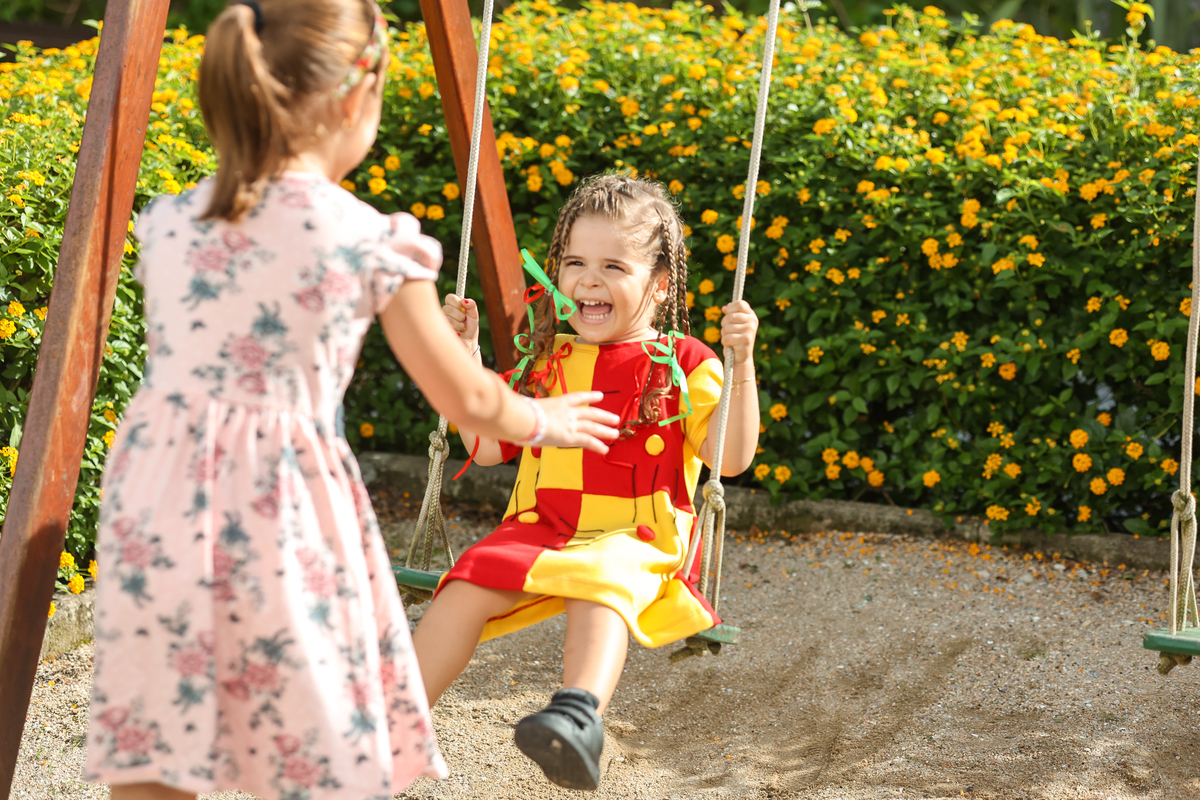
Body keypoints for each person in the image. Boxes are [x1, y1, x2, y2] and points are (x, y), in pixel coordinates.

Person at [83, 2, 620, 799]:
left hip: (158, 496)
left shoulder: (171, 221)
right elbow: (469, 397)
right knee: (311, 728)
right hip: (278, 499)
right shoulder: (366, 238)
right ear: (355, 96)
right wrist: (545, 418)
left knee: (161, 724)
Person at [413, 174, 760, 791]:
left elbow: (728, 459)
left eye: (613, 266)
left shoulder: (683, 362)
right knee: (464, 583)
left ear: (660, 283)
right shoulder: (548, 360)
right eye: (574, 262)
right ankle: (393, 720)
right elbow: (488, 447)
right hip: (541, 527)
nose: (588, 281)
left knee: (602, 582)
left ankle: (576, 716)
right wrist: (464, 354)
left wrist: (743, 364)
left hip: (635, 534)